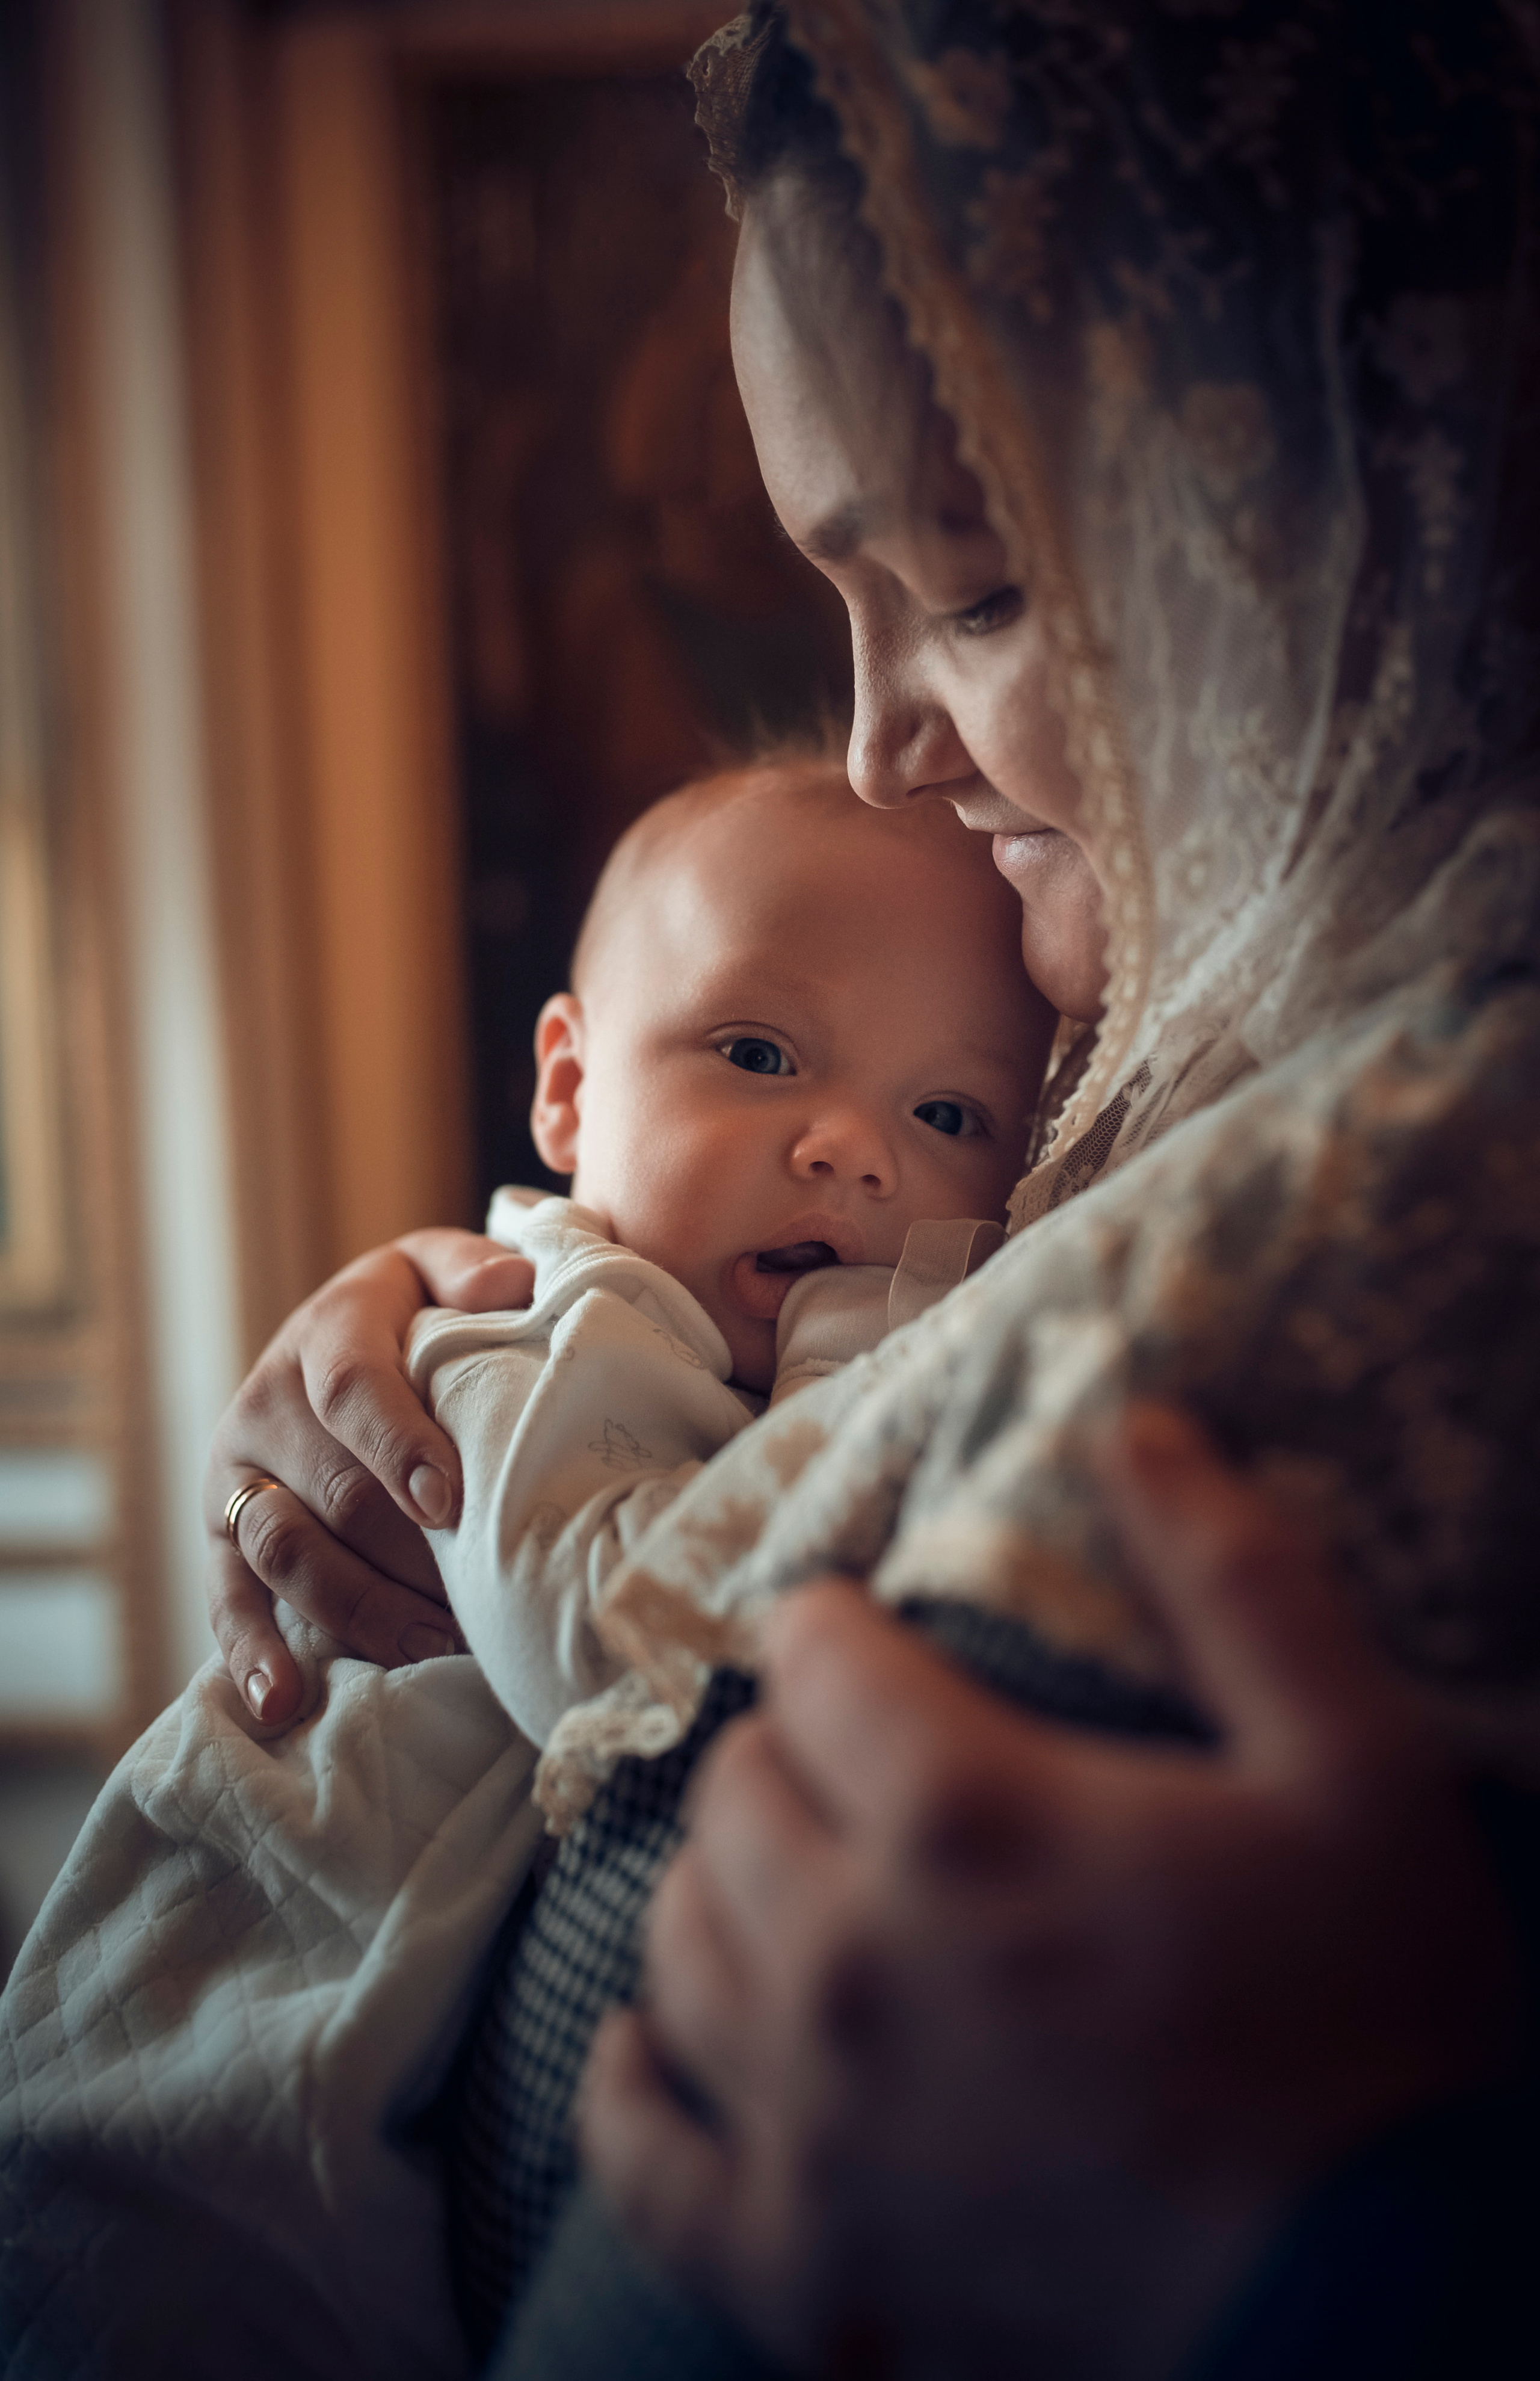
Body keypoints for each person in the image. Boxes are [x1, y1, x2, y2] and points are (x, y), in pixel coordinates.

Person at [70, 0, 1540, 2373]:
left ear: (1325, 501)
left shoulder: (1435, 1180)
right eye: (832, 593)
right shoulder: (1172, 1089)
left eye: (970, 585)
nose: (872, 741)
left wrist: (1360, 2247)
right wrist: (476, 1330)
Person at [411, 754, 1050, 1790]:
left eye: (945, 1115)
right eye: (759, 1054)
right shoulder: (536, 1328)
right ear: (569, 1087)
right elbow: (600, 1656)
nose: (852, 1148)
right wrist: (861, 1357)